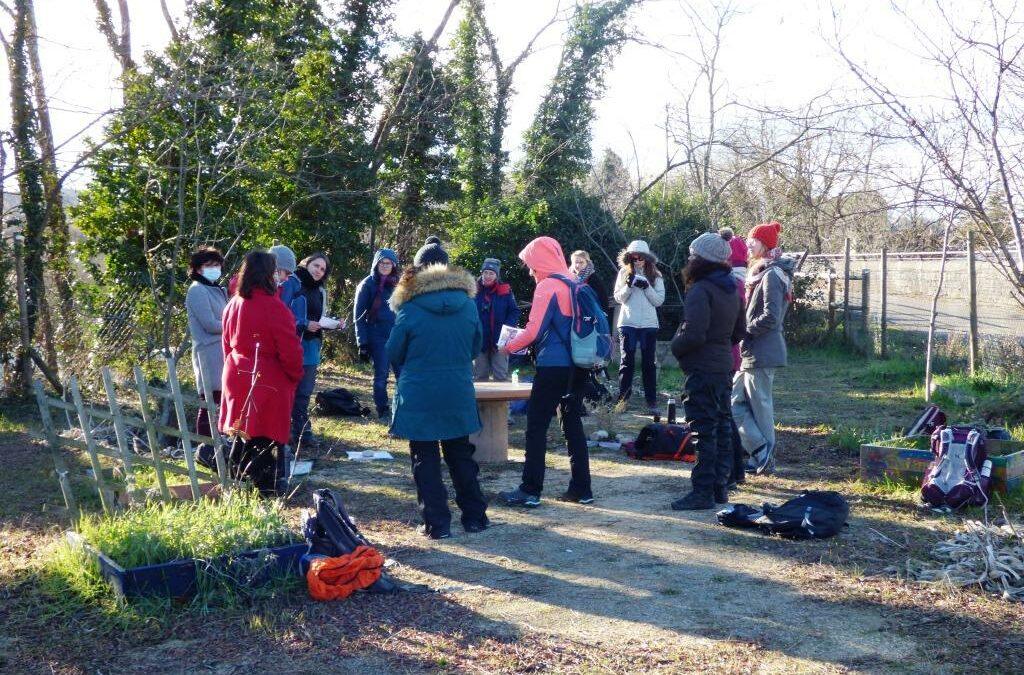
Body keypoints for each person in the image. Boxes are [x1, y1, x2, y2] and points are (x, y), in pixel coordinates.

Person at [386, 239, 489, 539]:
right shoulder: (467, 304)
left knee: (425, 459)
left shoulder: (410, 307)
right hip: (456, 388)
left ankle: (437, 524)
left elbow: (394, 351)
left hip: (419, 391)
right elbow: (476, 345)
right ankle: (475, 517)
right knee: (461, 455)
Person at [498, 236, 593, 508]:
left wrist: (507, 347)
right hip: (579, 364)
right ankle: (581, 489)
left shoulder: (548, 286)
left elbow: (534, 330)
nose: (529, 270)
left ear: (539, 260)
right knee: (573, 425)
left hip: (554, 365)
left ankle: (530, 490)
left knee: (536, 426)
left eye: (530, 264)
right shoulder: (574, 282)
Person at [669, 233, 745, 510]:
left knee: (703, 432)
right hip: (723, 365)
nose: (689, 259)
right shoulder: (733, 288)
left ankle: (702, 492)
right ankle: (719, 489)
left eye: (692, 255)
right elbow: (739, 331)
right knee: (722, 428)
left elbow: (694, 334)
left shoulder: (700, 290)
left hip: (703, 368)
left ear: (701, 260)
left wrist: (676, 348)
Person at [219, 251, 304, 495]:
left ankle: (237, 484)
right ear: (269, 274)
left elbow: (225, 343)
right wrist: (294, 376)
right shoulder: (273, 307)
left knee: (240, 434)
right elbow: (290, 350)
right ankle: (263, 489)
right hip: (266, 378)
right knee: (263, 439)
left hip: (236, 372)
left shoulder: (233, 303)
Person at [732, 221, 795, 475]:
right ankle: (759, 450)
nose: (748, 244)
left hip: (762, 351)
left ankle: (765, 460)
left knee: (761, 408)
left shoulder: (771, 274)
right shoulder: (759, 271)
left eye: (753, 240)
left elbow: (771, 317)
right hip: (751, 350)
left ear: (766, 244)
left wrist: (744, 330)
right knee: (734, 402)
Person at [283, 252, 340, 447]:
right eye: (316, 265)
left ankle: (302, 431)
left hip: (312, 345)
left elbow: (319, 316)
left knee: (305, 391)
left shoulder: (320, 290)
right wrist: (303, 323)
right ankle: (288, 430)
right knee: (289, 390)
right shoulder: (292, 282)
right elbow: (281, 312)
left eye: (323, 269)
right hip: (292, 343)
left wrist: (332, 323)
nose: (318, 271)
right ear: (306, 264)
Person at [185, 246, 228, 471]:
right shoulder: (197, 290)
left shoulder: (217, 289)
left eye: (216, 265)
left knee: (223, 400)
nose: (214, 269)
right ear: (198, 269)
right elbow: (210, 324)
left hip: (223, 351)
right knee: (209, 400)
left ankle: (219, 444)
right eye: (208, 266)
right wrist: (235, 326)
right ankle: (205, 448)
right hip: (208, 352)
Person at [612, 240, 666, 413]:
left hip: (649, 325)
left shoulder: (656, 275)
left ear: (647, 258)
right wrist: (628, 285)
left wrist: (646, 287)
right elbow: (618, 298)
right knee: (626, 362)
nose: (637, 260)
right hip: (628, 322)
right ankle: (622, 401)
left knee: (649, 363)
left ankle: (651, 402)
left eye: (641, 257)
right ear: (629, 257)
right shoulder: (623, 272)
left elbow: (659, 301)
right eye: (634, 257)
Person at [354, 247, 401, 419]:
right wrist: (362, 342)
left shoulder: (398, 284)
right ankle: (383, 409)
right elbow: (358, 316)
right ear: (376, 263)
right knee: (381, 374)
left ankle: (402, 408)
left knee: (402, 375)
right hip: (377, 334)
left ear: (394, 265)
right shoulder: (367, 284)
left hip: (397, 335)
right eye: (382, 262)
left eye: (389, 262)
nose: (385, 265)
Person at [720, 227, 749, 489]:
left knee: (723, 416)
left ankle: (731, 471)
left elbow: (737, 325)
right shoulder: (738, 283)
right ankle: (736, 470)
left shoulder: (733, 284)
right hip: (730, 354)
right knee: (725, 414)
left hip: (724, 356)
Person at [474, 257, 520, 381]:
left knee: (501, 377)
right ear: (481, 273)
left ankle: (501, 401)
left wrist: (507, 330)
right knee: (479, 377)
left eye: (491, 273)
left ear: (496, 275)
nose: (488, 276)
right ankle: (480, 401)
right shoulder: (473, 290)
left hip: (500, 340)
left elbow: (514, 311)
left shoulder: (505, 291)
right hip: (479, 339)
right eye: (485, 272)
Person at [569, 250, 609, 324]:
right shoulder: (569, 278)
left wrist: (601, 317)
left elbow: (603, 299)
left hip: (592, 317)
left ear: (587, 263)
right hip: (576, 317)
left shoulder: (593, 278)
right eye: (575, 262)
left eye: (581, 262)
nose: (577, 265)